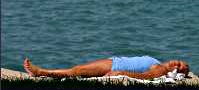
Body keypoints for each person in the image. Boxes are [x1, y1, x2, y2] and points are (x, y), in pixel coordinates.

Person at [24, 56, 189, 79]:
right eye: (180, 61)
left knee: (76, 71)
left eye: (180, 67)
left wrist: (121, 72)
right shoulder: (158, 62)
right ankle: (41, 72)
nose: (177, 64)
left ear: (175, 72)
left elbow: (145, 76)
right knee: (78, 69)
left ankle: (40, 72)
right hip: (114, 61)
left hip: (114, 65)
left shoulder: (160, 70)